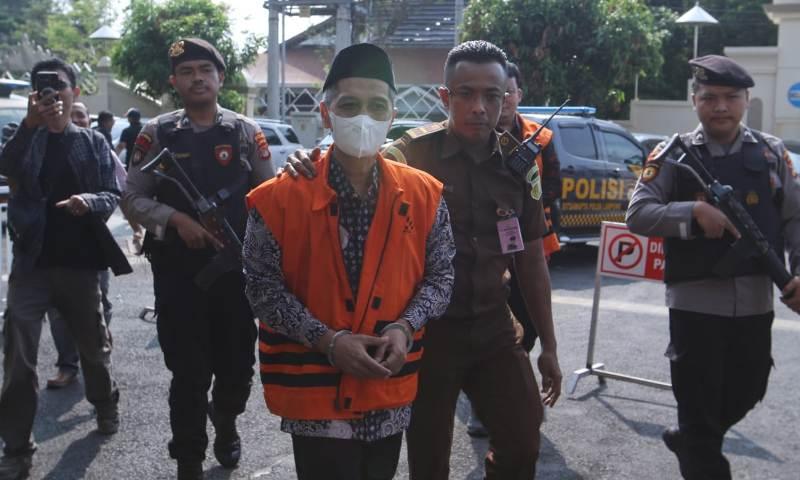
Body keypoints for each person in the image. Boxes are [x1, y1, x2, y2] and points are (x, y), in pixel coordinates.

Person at [285, 40, 562, 480]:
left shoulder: (520, 165)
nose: (479, 107)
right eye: (466, 94)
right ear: (445, 97)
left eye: (492, 96)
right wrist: (307, 160)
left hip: (494, 328)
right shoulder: (409, 154)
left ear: (506, 98)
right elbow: (348, 165)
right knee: (428, 461)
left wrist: (549, 345)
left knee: (523, 442)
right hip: (425, 334)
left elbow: (530, 260)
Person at [243, 42, 455, 480]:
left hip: (387, 383)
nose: (363, 118)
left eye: (377, 106)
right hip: (314, 393)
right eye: (349, 105)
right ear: (326, 113)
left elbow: (441, 276)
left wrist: (404, 327)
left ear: (392, 116)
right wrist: (328, 341)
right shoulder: (278, 199)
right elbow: (262, 289)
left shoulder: (425, 195)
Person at [626, 54, 800, 480]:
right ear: (694, 100)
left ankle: (690, 437)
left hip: (756, 302)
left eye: (730, 97)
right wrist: (691, 213)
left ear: (746, 100)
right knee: (700, 411)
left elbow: (795, 218)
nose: (720, 106)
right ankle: (697, 443)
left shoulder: (772, 153)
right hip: (695, 304)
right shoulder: (672, 155)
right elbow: (638, 213)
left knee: (750, 389)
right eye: (709, 97)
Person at [121, 38, 274, 480]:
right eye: (187, 72)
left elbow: (270, 198)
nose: (198, 78)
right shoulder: (157, 134)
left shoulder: (244, 132)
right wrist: (175, 220)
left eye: (206, 70)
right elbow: (131, 196)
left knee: (237, 371)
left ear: (220, 77)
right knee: (188, 375)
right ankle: (188, 459)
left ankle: (225, 419)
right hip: (179, 276)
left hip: (234, 274)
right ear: (174, 81)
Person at [0, 58, 120, 480]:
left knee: (93, 350)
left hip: (80, 264)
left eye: (60, 87)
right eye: (43, 89)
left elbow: (112, 192)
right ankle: (17, 448)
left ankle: (105, 403)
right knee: (18, 359)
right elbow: (5, 167)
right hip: (31, 265)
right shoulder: (23, 136)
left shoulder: (92, 141)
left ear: (75, 92)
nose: (52, 96)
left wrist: (89, 201)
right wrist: (30, 125)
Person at [466, 60, 562, 438]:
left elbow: (553, 186)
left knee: (527, 322)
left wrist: (522, 202)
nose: (501, 100)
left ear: (519, 95)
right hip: (484, 252)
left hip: (529, 244)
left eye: (506, 93)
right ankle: (483, 405)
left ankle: (514, 387)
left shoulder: (540, 138)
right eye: (494, 93)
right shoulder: (467, 138)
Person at [45, 102, 125, 389]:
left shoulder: (96, 146)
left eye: (81, 115)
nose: (77, 119)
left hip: (90, 245)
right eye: (73, 114)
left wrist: (88, 204)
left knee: (98, 306)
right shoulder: (38, 144)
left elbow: (117, 190)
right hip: (49, 250)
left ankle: (100, 360)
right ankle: (67, 365)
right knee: (57, 312)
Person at [115, 107, 145, 251]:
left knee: (131, 191)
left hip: (133, 165)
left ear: (130, 118)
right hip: (147, 164)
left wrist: (113, 156)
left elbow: (121, 146)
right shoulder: (145, 129)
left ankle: (135, 215)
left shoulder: (127, 131)